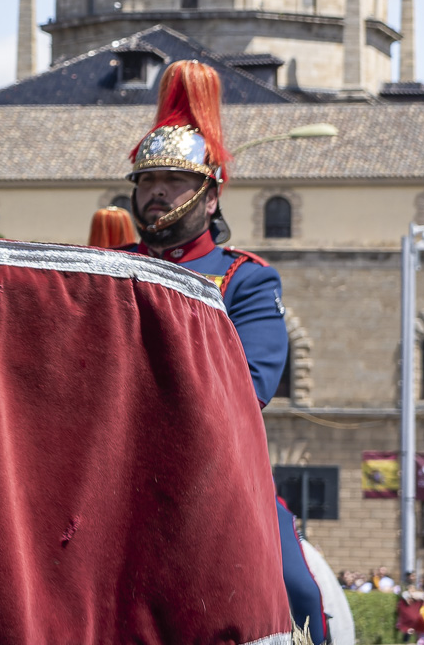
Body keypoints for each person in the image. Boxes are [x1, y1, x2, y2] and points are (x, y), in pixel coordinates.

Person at [122, 60, 325, 643]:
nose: (156, 191)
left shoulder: (244, 280)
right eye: (147, 181)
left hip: (216, 471)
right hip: (120, 465)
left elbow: (253, 384)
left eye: (174, 181)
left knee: (300, 590)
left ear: (210, 197)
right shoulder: (113, 272)